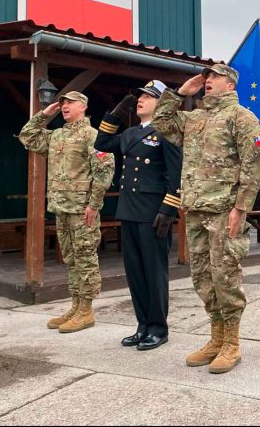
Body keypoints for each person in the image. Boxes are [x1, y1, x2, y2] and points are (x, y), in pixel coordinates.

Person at [151, 63, 260, 373]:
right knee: (202, 277)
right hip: (196, 209)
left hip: (224, 210)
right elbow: (161, 121)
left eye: (215, 77)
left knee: (226, 276)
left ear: (231, 85)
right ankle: (216, 337)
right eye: (206, 77)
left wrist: (240, 209)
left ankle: (232, 343)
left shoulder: (242, 118)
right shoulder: (195, 118)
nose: (208, 81)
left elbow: (254, 165)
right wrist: (178, 93)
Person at [94, 80, 182, 351]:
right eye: (140, 96)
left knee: (154, 272)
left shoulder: (166, 132)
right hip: (130, 210)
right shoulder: (132, 133)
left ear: (161, 103)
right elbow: (103, 141)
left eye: (148, 96)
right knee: (134, 272)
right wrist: (117, 112)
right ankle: (142, 325)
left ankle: (158, 328)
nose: (141, 99)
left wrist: (169, 209)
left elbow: (176, 173)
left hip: (153, 212)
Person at [18, 91, 115, 333]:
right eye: (62, 103)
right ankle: (75, 305)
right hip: (61, 207)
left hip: (83, 210)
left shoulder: (92, 135)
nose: (64, 106)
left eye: (70, 102)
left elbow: (105, 171)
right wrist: (43, 115)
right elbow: (27, 137)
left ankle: (87, 310)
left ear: (83, 106)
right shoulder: (57, 135)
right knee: (71, 259)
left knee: (85, 258)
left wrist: (94, 205)